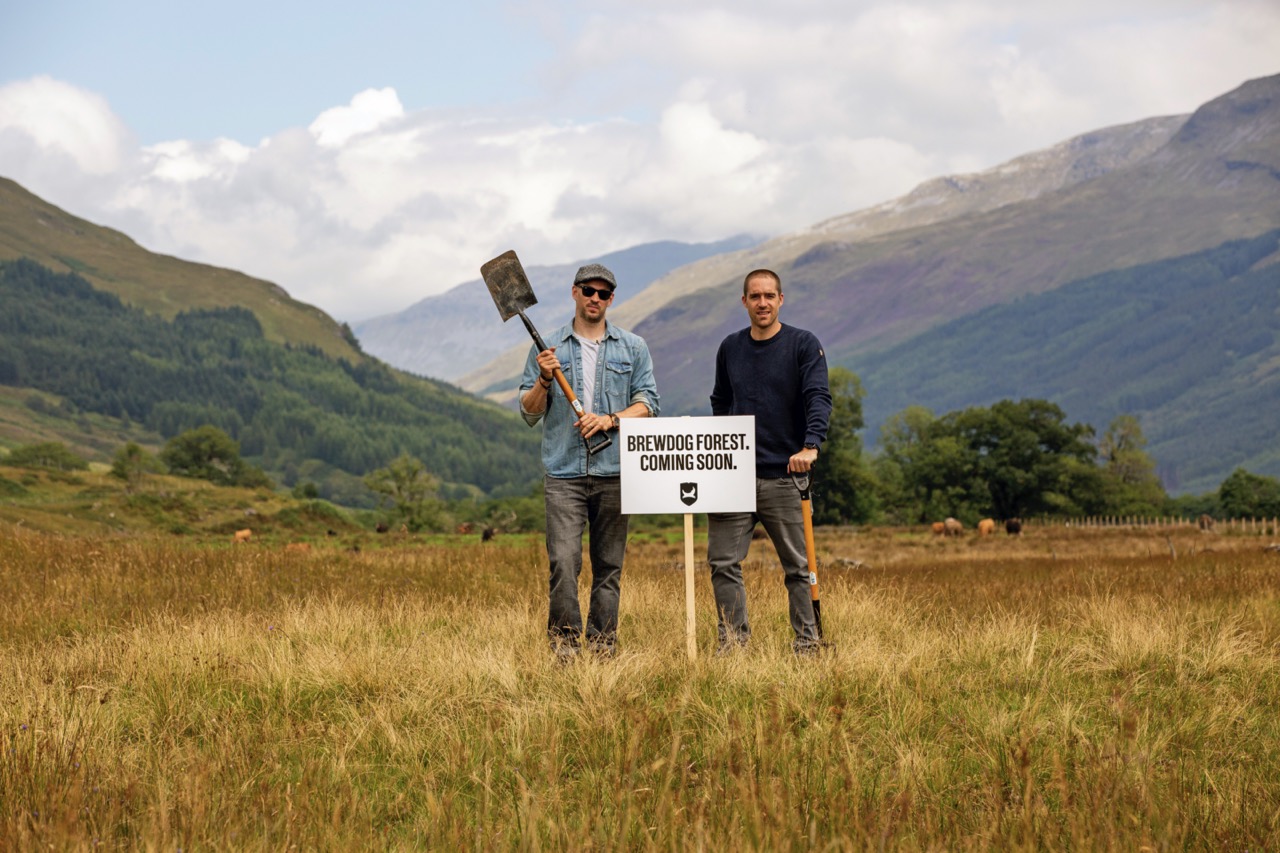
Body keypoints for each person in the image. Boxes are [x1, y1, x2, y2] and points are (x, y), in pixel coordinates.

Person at [520, 262, 660, 661]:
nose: (595, 298)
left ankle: (602, 647)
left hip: (615, 471)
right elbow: (529, 412)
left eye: (603, 293)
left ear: (611, 299)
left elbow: (649, 404)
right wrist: (544, 380)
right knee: (564, 563)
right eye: (588, 290)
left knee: (609, 568)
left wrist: (610, 419)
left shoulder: (633, 347)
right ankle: (565, 648)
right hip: (563, 473)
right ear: (575, 292)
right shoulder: (547, 348)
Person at [707, 268, 832, 655]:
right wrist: (723, 447)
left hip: (785, 475)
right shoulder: (730, 347)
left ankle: (808, 645)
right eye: (755, 296)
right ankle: (734, 646)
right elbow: (720, 401)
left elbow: (818, 397)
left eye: (769, 296)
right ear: (744, 302)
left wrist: (810, 445)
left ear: (781, 300)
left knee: (798, 567)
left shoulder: (803, 344)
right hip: (734, 478)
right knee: (722, 562)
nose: (762, 303)